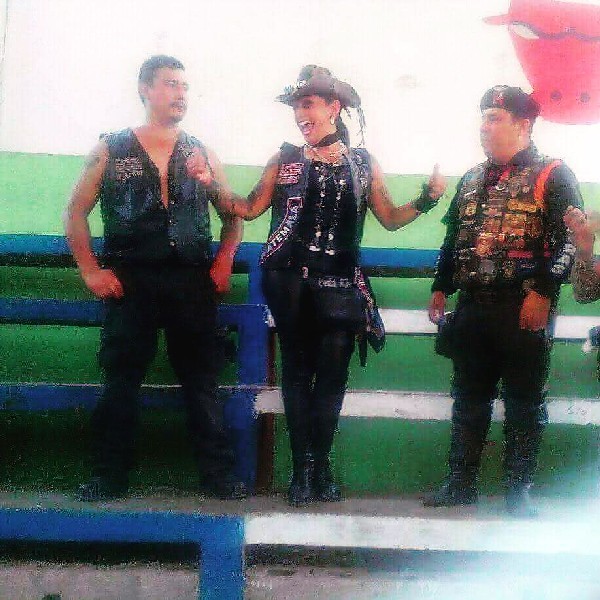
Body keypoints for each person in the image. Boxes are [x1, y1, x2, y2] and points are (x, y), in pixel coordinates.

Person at [215, 65, 445, 506]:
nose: (300, 114)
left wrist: (427, 199)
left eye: (308, 104)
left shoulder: (363, 162)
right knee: (298, 372)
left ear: (333, 107)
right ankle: (304, 472)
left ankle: (318, 466)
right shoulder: (284, 158)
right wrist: (211, 184)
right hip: (290, 280)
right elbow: (248, 208)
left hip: (340, 280)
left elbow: (390, 218)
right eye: (296, 106)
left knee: (332, 376)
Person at [63, 55, 247, 501]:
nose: (180, 93)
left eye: (184, 86)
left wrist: (224, 260)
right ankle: (108, 477)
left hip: (191, 277)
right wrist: (90, 269)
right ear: (145, 89)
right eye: (170, 84)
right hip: (131, 278)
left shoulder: (202, 152)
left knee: (202, 380)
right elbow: (76, 212)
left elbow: (232, 213)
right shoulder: (111, 148)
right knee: (120, 379)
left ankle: (218, 476)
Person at [425, 86, 583, 517]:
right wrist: (441, 285)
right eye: (483, 117)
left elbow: (569, 241)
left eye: (494, 118)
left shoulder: (554, 174)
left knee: (524, 401)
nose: (484, 126)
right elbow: (454, 236)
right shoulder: (472, 177)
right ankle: (460, 484)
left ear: (523, 125)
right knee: (468, 397)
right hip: (473, 304)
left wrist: (543, 292)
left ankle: (518, 491)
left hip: (523, 305)